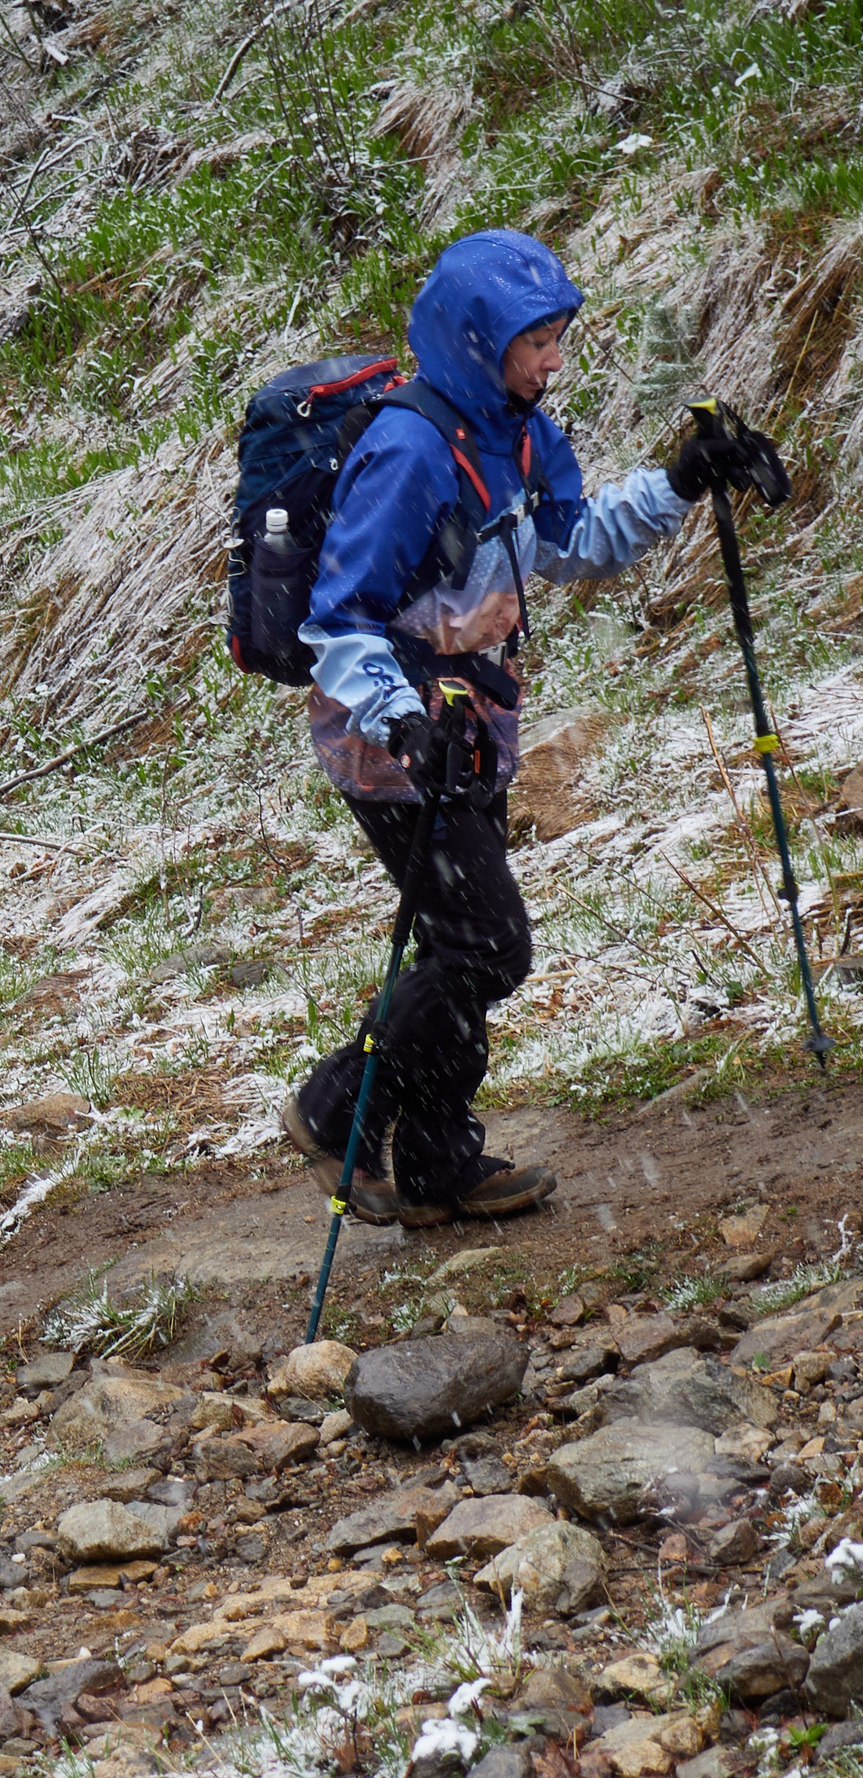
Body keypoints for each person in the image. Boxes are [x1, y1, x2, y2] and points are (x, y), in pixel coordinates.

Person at [284, 228, 729, 1226]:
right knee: (489, 946)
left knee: (457, 943)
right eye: (537, 341)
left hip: (471, 725)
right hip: (389, 746)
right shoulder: (406, 450)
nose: (553, 359)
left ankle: (437, 1166)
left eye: (558, 336)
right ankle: (334, 1109)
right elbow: (338, 619)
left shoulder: (520, 430)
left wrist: (681, 480)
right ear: (479, 340)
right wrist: (402, 721)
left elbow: (569, 541)